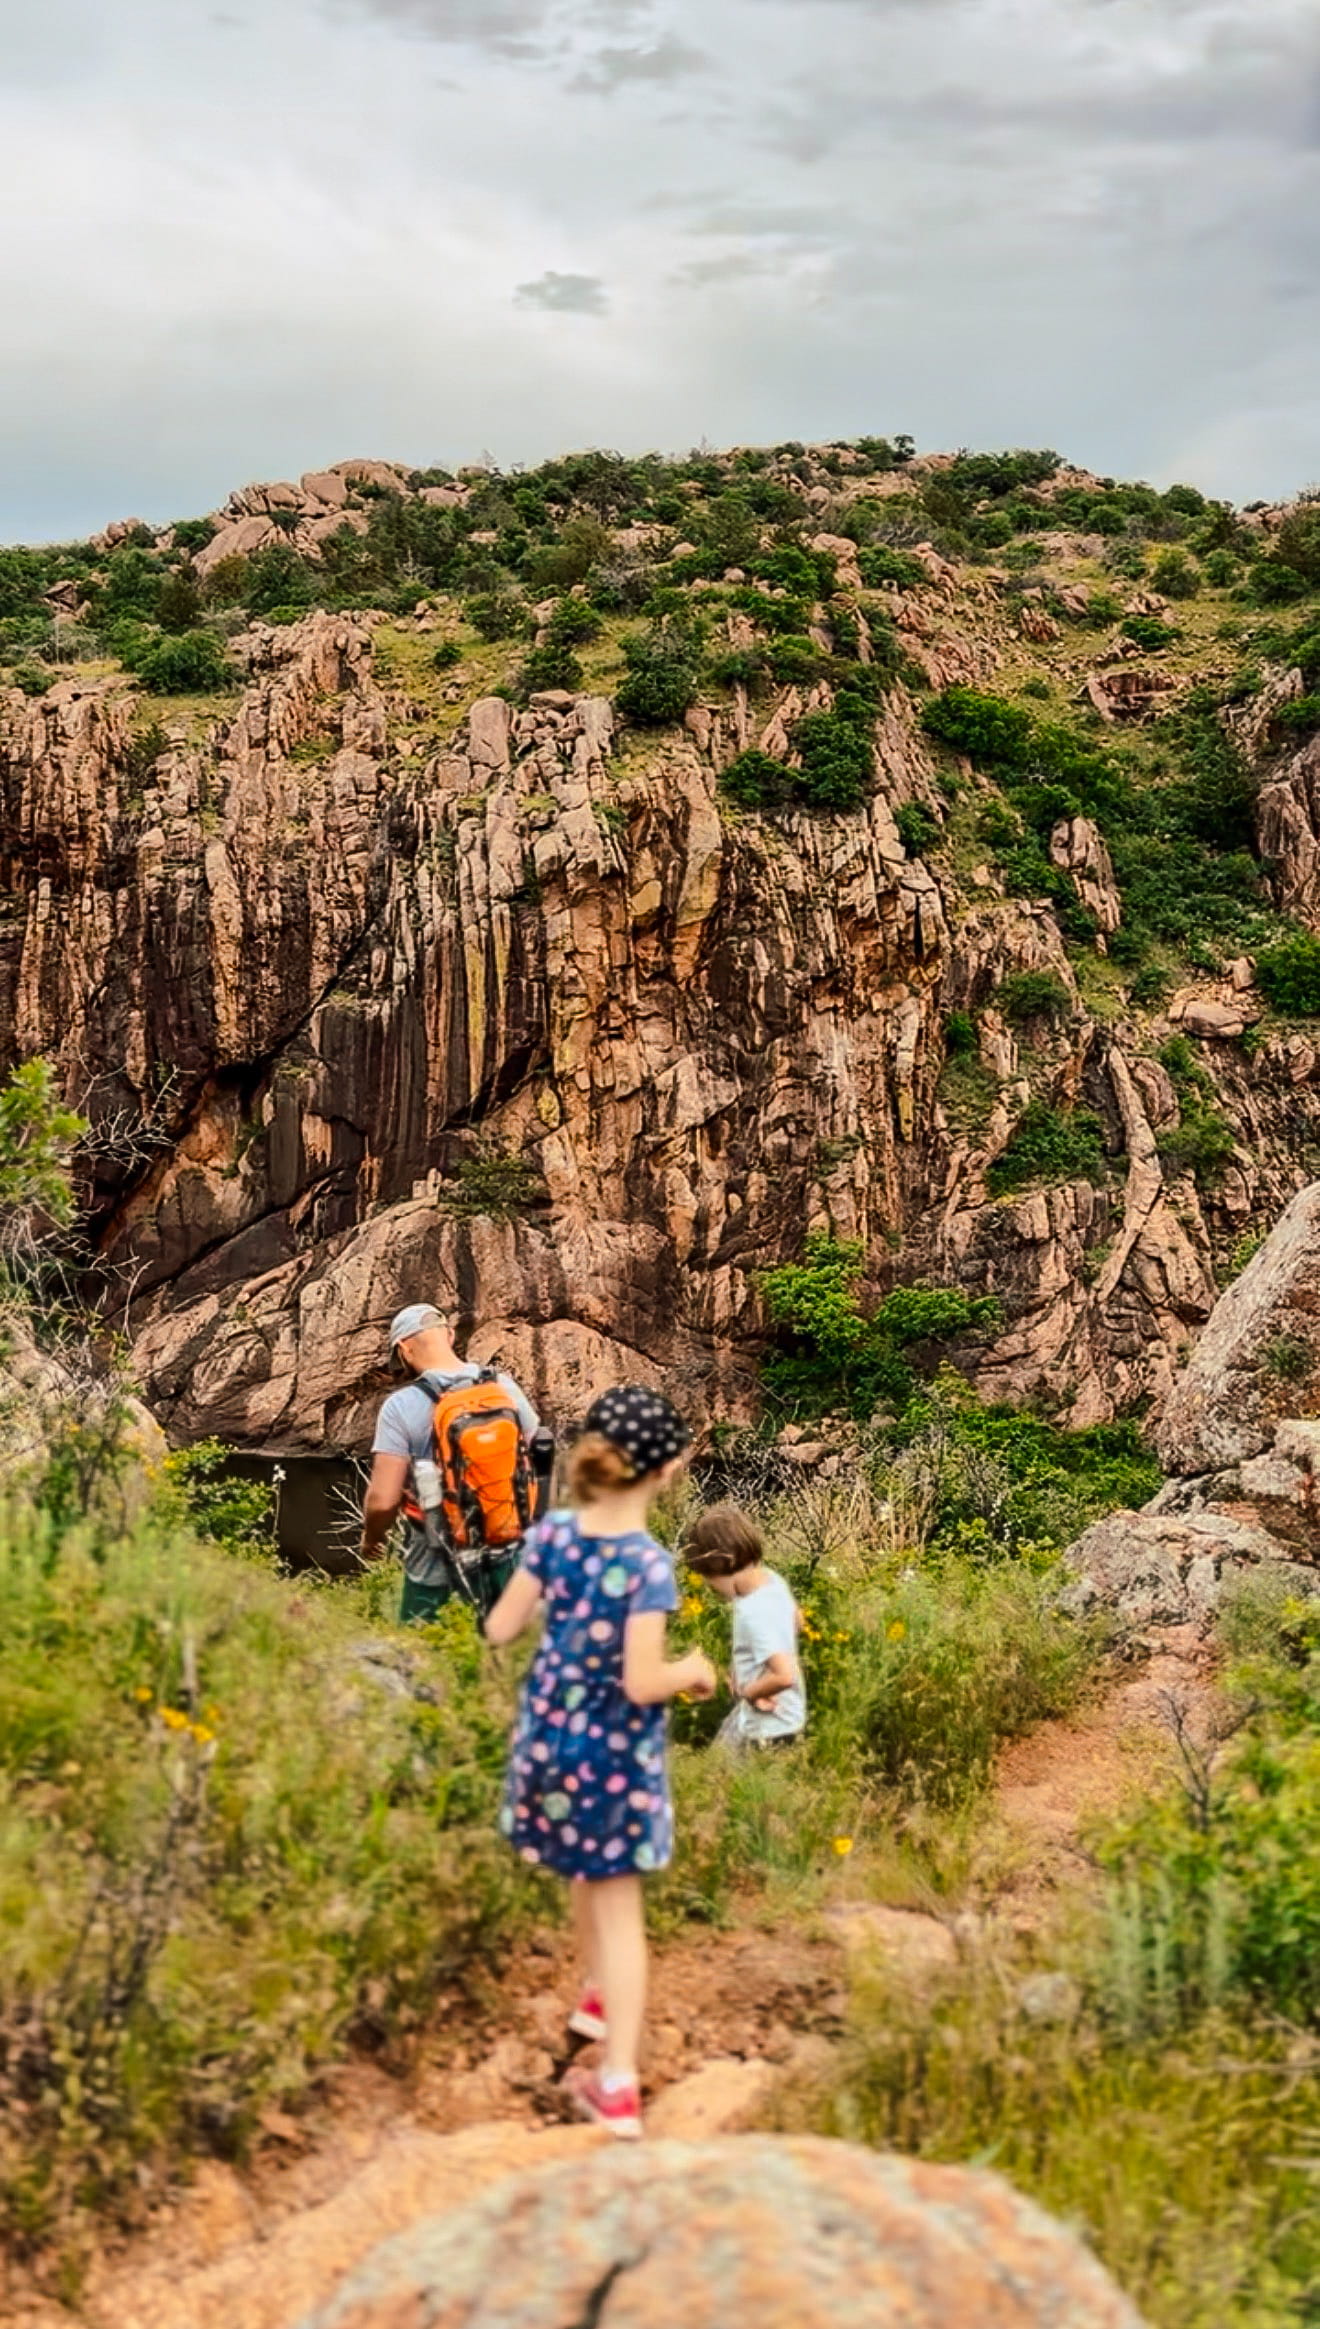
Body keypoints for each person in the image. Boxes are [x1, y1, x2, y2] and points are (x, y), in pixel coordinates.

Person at [485, 1385, 716, 2141]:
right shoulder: (648, 1566)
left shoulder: (553, 1535)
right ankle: (617, 2079)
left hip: (549, 1745)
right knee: (623, 1911)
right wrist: (694, 1669)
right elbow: (641, 1680)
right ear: (665, 1470)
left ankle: (593, 1996)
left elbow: (499, 1627)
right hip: (614, 1756)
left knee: (582, 1872)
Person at [360, 1303, 542, 1624]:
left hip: (435, 1555)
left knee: (423, 1649)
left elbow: (382, 1500)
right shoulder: (502, 1385)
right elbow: (536, 1448)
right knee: (506, 1647)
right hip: (508, 1539)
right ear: (449, 1334)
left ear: (404, 1349)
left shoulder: (400, 1406)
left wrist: (372, 1540)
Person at [684, 1504, 806, 1750]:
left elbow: (783, 1675)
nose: (712, 1589)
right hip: (781, 1709)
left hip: (770, 1725)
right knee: (721, 1763)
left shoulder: (754, 1611)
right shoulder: (770, 1580)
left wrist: (750, 1691)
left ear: (726, 1564)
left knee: (731, 1778)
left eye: (711, 1581)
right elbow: (797, 1621)